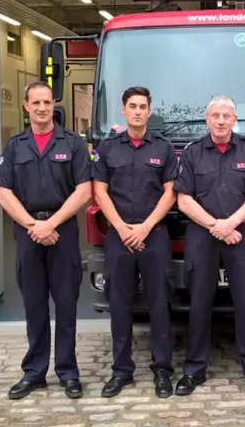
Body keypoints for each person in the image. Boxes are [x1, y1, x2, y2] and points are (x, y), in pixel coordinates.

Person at [173, 96, 245, 401]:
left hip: (240, 234)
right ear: (207, 120)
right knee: (199, 304)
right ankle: (194, 369)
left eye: (226, 116)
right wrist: (216, 227)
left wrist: (230, 224)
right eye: (215, 115)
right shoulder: (192, 153)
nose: (220, 121)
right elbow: (184, 200)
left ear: (234, 120)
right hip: (202, 237)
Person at [0, 81, 92, 400]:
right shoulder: (14, 147)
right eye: (35, 102)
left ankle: (68, 372)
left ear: (54, 105)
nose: (42, 108)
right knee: (34, 305)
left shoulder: (73, 143)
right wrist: (33, 225)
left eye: (47, 102)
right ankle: (34, 373)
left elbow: (84, 190)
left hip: (62, 232)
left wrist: (51, 223)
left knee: (66, 306)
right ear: (26, 106)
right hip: (28, 233)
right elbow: (4, 193)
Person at [92, 86, 178, 399]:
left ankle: (163, 371)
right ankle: (121, 371)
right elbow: (100, 192)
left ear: (149, 111)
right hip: (119, 237)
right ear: (124, 110)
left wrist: (145, 228)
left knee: (159, 306)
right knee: (120, 305)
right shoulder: (107, 147)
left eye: (143, 106)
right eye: (133, 106)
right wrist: (123, 228)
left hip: (154, 236)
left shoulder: (164, 147)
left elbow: (170, 192)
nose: (138, 111)